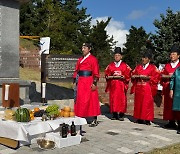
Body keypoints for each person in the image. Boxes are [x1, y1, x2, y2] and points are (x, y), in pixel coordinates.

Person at [73, 43, 101, 127]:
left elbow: (96, 72)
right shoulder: (80, 59)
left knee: (92, 99)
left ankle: (94, 119)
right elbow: (76, 70)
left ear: (89, 49)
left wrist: (94, 83)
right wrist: (74, 81)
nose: (83, 49)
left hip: (89, 81)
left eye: (84, 48)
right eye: (82, 48)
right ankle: (80, 116)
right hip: (81, 81)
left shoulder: (93, 59)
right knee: (80, 99)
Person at [131, 50, 160, 125]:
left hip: (147, 87)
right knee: (138, 103)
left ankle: (147, 119)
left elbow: (157, 77)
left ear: (149, 59)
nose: (143, 59)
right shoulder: (138, 67)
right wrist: (134, 76)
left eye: (145, 58)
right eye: (143, 57)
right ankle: (139, 118)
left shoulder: (153, 67)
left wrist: (148, 77)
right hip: (139, 87)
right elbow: (132, 74)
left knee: (147, 104)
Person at [105, 47, 131, 121]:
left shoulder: (125, 65)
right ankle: (114, 114)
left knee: (121, 99)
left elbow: (128, 74)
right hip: (113, 85)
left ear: (121, 56)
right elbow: (107, 74)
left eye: (118, 55)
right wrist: (109, 77)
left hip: (121, 85)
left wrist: (124, 77)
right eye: (115, 55)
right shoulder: (110, 65)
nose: (117, 57)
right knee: (113, 99)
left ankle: (121, 114)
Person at [161, 44, 180, 129]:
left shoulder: (179, 65)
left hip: (178, 89)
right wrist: (168, 76)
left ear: (178, 55)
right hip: (168, 87)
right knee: (168, 105)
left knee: (177, 105)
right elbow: (161, 75)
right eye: (171, 54)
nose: (171, 56)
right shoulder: (167, 65)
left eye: (174, 54)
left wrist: (173, 76)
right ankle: (171, 121)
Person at [170, 66, 180, 134]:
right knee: (178, 110)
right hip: (178, 92)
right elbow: (172, 79)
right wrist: (171, 89)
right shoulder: (177, 70)